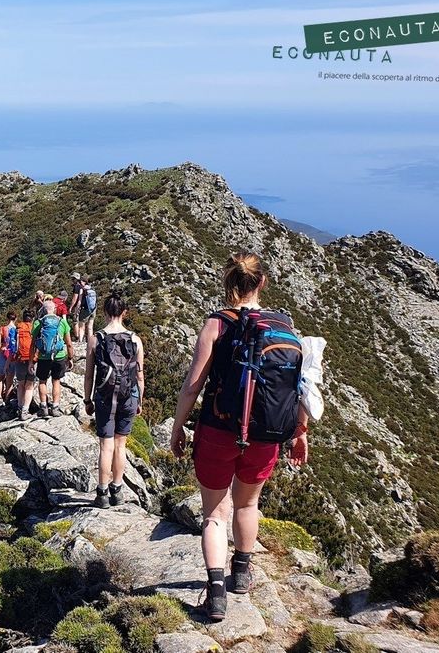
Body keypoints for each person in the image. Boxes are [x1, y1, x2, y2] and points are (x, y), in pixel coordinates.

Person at [169, 252, 309, 622]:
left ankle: (216, 594)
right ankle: (242, 572)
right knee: (248, 505)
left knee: (214, 513)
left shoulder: (217, 324)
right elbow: (301, 387)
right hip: (266, 435)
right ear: (262, 282)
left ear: (228, 282)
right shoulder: (286, 327)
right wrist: (299, 431)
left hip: (217, 430)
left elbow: (192, 386)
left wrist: (178, 427)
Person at [82, 294, 143, 508]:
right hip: (129, 396)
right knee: (120, 445)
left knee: (105, 446)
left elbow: (89, 374)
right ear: (124, 312)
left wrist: (87, 400)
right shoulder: (135, 339)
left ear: (105, 312)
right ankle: (118, 491)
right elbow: (140, 375)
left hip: (104, 397)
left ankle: (102, 494)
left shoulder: (96, 338)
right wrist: (139, 401)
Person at [28, 299, 75, 418]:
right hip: (59, 356)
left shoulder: (39, 322)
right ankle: (55, 407)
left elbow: (32, 344)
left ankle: (43, 408)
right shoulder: (62, 322)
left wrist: (31, 362)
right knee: (56, 381)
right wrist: (70, 358)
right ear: (54, 309)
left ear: (43, 310)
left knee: (42, 381)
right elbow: (69, 343)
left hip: (43, 357)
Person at [12, 309, 37, 420]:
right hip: (32, 359)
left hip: (19, 358)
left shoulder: (18, 328)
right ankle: (25, 411)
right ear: (32, 318)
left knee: (21, 384)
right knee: (30, 386)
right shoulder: (34, 328)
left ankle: (19, 408)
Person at [0, 311, 18, 406]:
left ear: (7, 318)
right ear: (15, 319)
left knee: (0, 377)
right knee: (10, 379)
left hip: (2, 354)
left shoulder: (2, 329)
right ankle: (7, 399)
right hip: (12, 355)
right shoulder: (17, 329)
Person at [68, 272, 97, 345]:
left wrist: (74, 309)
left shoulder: (80, 288)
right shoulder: (91, 288)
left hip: (85, 309)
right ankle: (90, 341)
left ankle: (80, 341)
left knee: (81, 325)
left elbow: (78, 301)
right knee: (90, 326)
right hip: (93, 309)